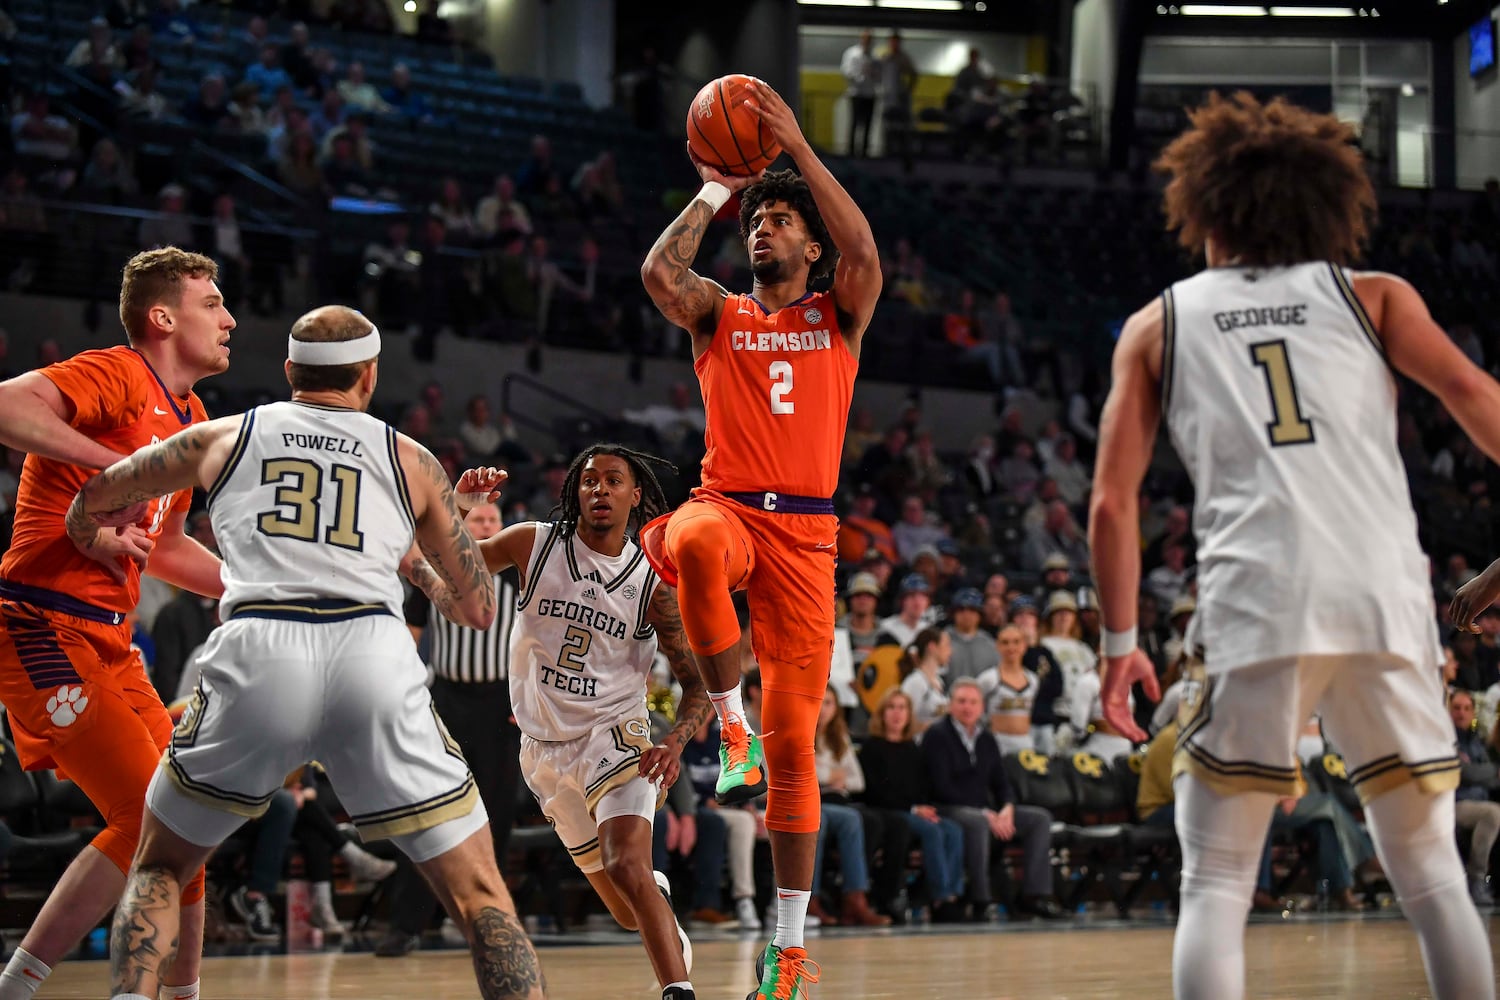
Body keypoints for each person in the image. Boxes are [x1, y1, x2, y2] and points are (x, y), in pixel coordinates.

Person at [1089, 92, 1498, 1000]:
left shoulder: (1160, 322)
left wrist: (1120, 649)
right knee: (1431, 875)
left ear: (1206, 211)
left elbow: (1113, 504)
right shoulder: (1377, 296)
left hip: (1259, 600)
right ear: (1324, 208)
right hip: (1385, 601)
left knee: (1217, 884)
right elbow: (1478, 399)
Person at [68, 305, 546, 1000]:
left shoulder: (223, 434)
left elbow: (97, 495)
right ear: (371, 375)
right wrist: (418, 560)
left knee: (162, 867)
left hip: (261, 649)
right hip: (372, 653)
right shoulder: (412, 459)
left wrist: (93, 535)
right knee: (482, 897)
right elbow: (474, 607)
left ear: (290, 372)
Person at [638, 78, 880, 999]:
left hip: (807, 540)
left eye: (781, 222)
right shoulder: (721, 314)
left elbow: (862, 246)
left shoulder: (839, 313)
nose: (762, 231)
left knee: (796, 753)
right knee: (693, 543)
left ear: (810, 249)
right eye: (758, 222)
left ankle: (785, 948)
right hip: (729, 507)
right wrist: (715, 186)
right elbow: (661, 276)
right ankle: (725, 722)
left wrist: (794, 154)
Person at [0, 248, 232, 1000]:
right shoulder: (115, 373)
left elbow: (163, 549)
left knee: (194, 814)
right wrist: (116, 468)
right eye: (213, 303)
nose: (230, 319)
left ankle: (182, 993)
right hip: (39, 624)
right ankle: (19, 984)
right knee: (144, 819)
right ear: (164, 318)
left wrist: (260, 587)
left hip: (110, 639)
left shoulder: (191, 418)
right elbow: (6, 407)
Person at [455, 446, 713, 1000]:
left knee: (626, 864)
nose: (600, 490)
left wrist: (673, 741)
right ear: (576, 490)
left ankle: (679, 991)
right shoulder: (534, 544)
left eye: (613, 481)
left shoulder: (651, 582)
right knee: (627, 909)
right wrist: (456, 510)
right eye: (590, 480)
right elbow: (447, 568)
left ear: (634, 495)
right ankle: (656, 899)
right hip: (543, 750)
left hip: (616, 736)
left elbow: (699, 684)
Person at [375, 499, 525, 958]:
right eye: (476, 519)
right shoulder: (438, 569)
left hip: (502, 704)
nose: (484, 525)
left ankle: (487, 927)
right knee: (431, 809)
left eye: (491, 520)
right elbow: (411, 635)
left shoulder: (519, 576)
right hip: (449, 703)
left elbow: (541, 637)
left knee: (496, 818)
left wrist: (528, 698)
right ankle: (408, 923)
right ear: (462, 527)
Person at [839, 30, 878, 158]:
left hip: (870, 94)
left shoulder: (875, 56)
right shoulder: (852, 54)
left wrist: (872, 74)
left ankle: (864, 152)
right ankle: (851, 151)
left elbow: (879, 75)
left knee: (868, 124)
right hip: (856, 93)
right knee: (855, 123)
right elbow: (846, 71)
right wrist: (860, 75)